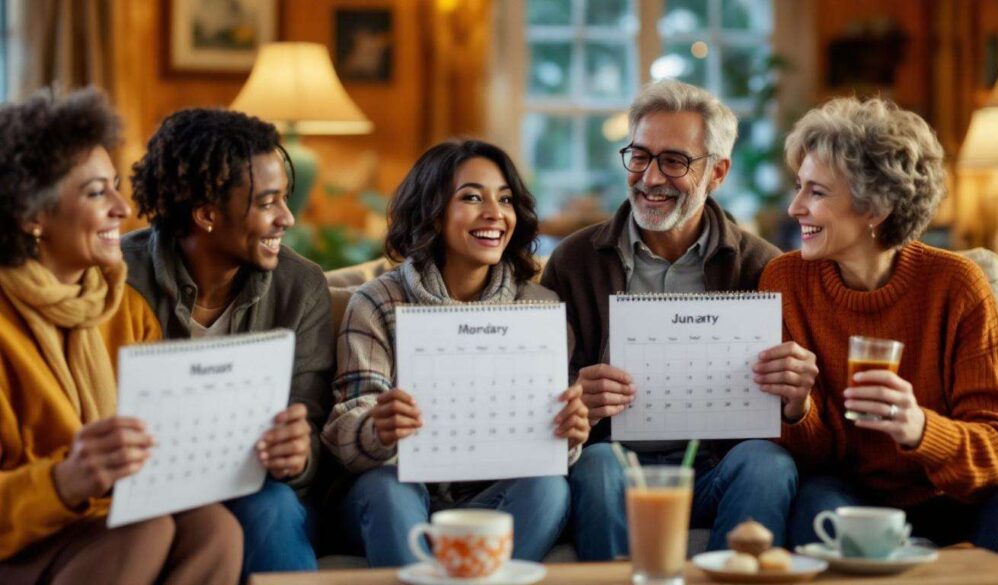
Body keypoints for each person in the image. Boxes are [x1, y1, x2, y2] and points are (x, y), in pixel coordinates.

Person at [541, 79, 798, 560]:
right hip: (613, 460)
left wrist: (792, 391)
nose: (651, 178)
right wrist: (578, 394)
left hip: (716, 465)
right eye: (639, 157)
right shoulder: (575, 261)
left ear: (717, 172)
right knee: (595, 465)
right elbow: (541, 389)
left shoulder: (762, 266)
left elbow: (787, 406)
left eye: (674, 161)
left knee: (766, 462)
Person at [756, 97, 998, 551]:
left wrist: (920, 427)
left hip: (952, 494)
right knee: (815, 504)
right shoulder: (786, 280)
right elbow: (813, 456)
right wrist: (796, 407)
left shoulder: (957, 286)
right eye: (798, 187)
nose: (795, 207)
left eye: (816, 192)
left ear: (875, 208)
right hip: (847, 493)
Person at [0, 88, 242, 584]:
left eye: (116, 186)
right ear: (31, 217)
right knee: (144, 529)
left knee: (216, 529)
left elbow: (160, 449)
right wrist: (63, 481)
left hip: (104, 522)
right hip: (20, 539)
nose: (123, 207)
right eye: (95, 193)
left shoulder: (125, 311)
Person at [322, 139, 589, 567]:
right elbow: (347, 425)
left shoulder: (540, 307)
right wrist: (377, 427)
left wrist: (570, 433)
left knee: (550, 486)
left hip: (492, 497)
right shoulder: (376, 303)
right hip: (402, 491)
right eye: (471, 197)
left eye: (504, 199)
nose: (494, 213)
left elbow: (551, 438)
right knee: (387, 485)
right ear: (432, 210)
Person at [124, 108, 334, 579]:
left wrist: (298, 452)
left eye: (285, 199)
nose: (287, 217)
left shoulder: (301, 287)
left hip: (257, 487)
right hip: (144, 484)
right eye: (267, 203)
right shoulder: (121, 279)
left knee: (272, 506)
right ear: (207, 215)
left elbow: (314, 429)